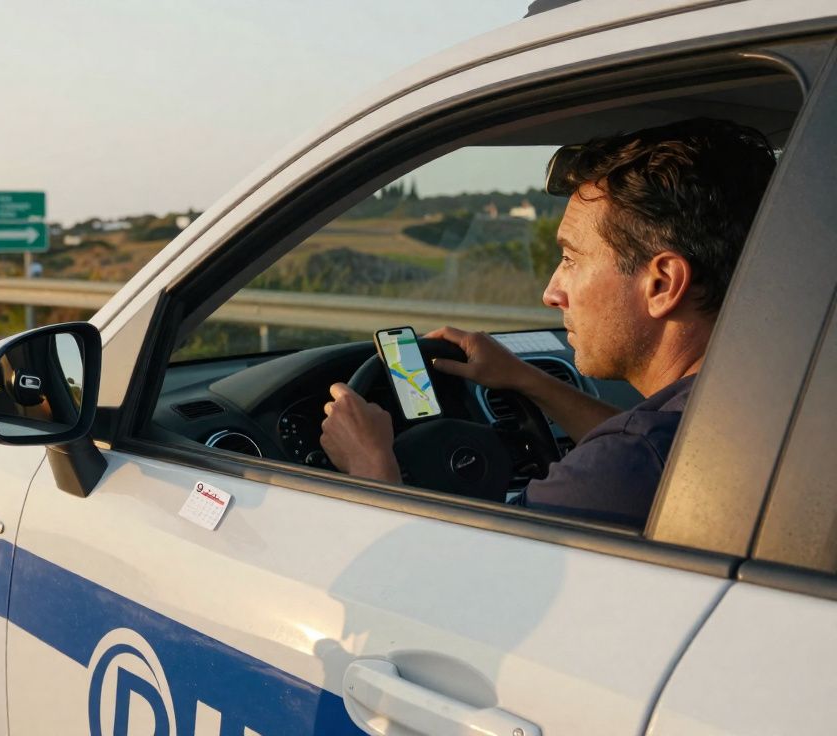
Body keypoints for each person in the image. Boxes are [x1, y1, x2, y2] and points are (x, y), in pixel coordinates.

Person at [320, 118, 777, 527]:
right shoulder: (754, 403)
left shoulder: (625, 463)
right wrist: (523, 379)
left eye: (570, 259)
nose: (551, 292)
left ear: (662, 285)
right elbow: (653, 449)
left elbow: (451, 591)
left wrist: (372, 470)